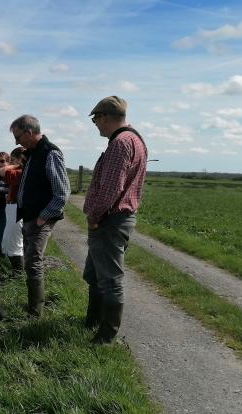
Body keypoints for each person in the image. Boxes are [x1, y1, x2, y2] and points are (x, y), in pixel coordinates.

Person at [83, 96, 147, 343]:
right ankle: (93, 322)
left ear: (105, 117)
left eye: (95, 119)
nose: (95, 124)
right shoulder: (135, 140)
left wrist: (94, 217)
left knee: (109, 279)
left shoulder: (120, 143)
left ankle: (106, 335)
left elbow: (111, 187)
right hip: (117, 218)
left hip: (109, 221)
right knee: (96, 274)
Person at [1, 115, 70, 317]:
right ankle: (33, 306)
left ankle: (35, 312)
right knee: (31, 260)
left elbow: (62, 193)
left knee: (33, 262)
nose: (16, 142)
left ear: (29, 132)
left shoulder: (50, 153)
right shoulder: (33, 153)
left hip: (40, 218)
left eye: (18, 136)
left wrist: (43, 217)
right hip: (30, 216)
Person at [0, 146, 27, 276]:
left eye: (12, 159)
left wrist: (17, 165)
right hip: (12, 207)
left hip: (17, 209)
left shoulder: (21, 171)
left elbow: (2, 171)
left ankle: (18, 274)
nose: (9, 163)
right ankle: (16, 272)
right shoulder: (22, 171)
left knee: (14, 243)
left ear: (19, 159)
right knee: (8, 241)